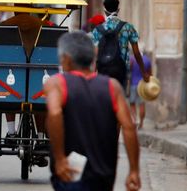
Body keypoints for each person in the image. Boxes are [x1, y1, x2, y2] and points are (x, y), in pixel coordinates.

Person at [45, 32, 141, 191]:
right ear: (93, 57)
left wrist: (60, 158)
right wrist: (134, 171)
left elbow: (55, 114)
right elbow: (129, 126)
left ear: (66, 59)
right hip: (104, 175)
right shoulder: (112, 86)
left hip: (70, 172)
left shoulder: (58, 83)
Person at [91, 0, 150, 88]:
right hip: (121, 71)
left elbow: (95, 55)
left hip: (103, 70)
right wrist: (143, 72)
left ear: (105, 11)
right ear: (118, 10)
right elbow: (137, 53)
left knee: (104, 99)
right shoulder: (128, 27)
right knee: (119, 98)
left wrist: (92, 75)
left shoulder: (97, 30)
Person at [129, 54, 153, 129]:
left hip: (133, 84)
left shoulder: (131, 58)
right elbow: (150, 74)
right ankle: (141, 123)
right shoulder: (147, 60)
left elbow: (128, 70)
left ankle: (134, 121)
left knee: (132, 104)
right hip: (142, 85)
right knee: (141, 104)